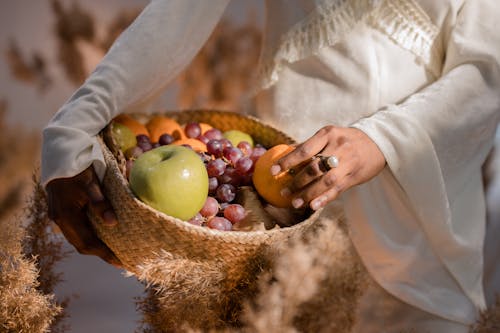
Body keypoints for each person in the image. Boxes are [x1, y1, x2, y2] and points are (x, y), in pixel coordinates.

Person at [42, 0, 500, 331]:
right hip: (277, 204)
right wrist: (73, 127)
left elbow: (486, 70)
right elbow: (180, 11)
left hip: (417, 220)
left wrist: (381, 140)